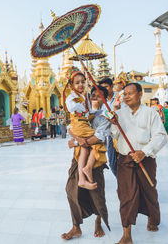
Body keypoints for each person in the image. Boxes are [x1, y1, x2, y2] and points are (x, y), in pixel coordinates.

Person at [109, 83, 168, 244]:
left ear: (140, 94)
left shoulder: (151, 113)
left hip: (145, 159)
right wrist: (113, 122)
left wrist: (145, 151)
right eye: (124, 94)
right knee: (126, 195)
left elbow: (160, 136)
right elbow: (114, 135)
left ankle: (152, 218)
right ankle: (127, 234)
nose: (126, 96)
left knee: (148, 191)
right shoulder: (119, 114)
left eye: (130, 93)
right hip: (126, 160)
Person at [61, 85, 111, 240]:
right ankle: (76, 227)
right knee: (71, 189)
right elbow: (71, 127)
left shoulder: (106, 116)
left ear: (105, 98)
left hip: (95, 158)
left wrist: (76, 142)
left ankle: (98, 221)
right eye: (93, 95)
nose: (95, 98)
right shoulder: (84, 110)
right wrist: (75, 138)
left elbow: (99, 138)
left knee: (97, 193)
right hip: (78, 157)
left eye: (99, 96)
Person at [65, 66, 107, 190]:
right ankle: (87, 168)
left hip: (83, 124)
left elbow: (88, 112)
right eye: (77, 83)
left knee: (85, 149)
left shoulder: (104, 113)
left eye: (83, 82)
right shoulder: (72, 97)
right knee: (98, 144)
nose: (81, 85)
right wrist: (82, 99)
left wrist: (86, 101)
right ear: (71, 85)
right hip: (79, 125)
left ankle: (82, 178)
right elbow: (73, 109)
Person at [98, 77, 118, 177]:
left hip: (124, 132)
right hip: (111, 134)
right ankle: (122, 182)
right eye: (102, 88)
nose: (104, 90)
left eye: (106, 87)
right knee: (112, 163)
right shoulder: (101, 103)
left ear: (111, 86)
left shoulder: (120, 98)